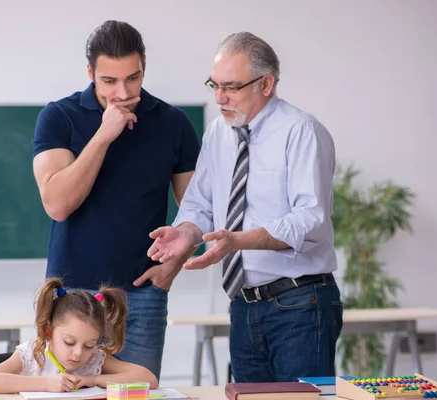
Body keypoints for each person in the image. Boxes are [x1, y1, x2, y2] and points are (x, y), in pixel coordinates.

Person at [147, 32, 343, 383]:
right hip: (243, 304)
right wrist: (184, 232)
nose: (220, 97)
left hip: (300, 302)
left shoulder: (301, 132)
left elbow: (309, 220)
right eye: (214, 85)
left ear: (265, 84)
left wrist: (240, 240)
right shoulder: (217, 133)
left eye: (232, 87)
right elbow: (201, 203)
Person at [30, 20, 200, 380]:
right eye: (109, 81)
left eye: (132, 78)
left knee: (137, 393)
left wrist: (173, 266)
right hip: (72, 298)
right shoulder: (59, 117)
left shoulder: (174, 123)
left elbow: (198, 210)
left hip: (142, 297)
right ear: (90, 72)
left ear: (144, 67)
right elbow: (58, 205)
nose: (122, 91)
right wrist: (104, 135)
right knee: (68, 392)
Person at [0, 277, 158, 393]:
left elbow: (149, 379)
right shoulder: (33, 352)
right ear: (49, 332)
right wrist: (45, 384)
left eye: (89, 345)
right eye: (69, 342)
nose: (78, 353)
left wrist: (94, 379)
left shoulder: (95, 359)